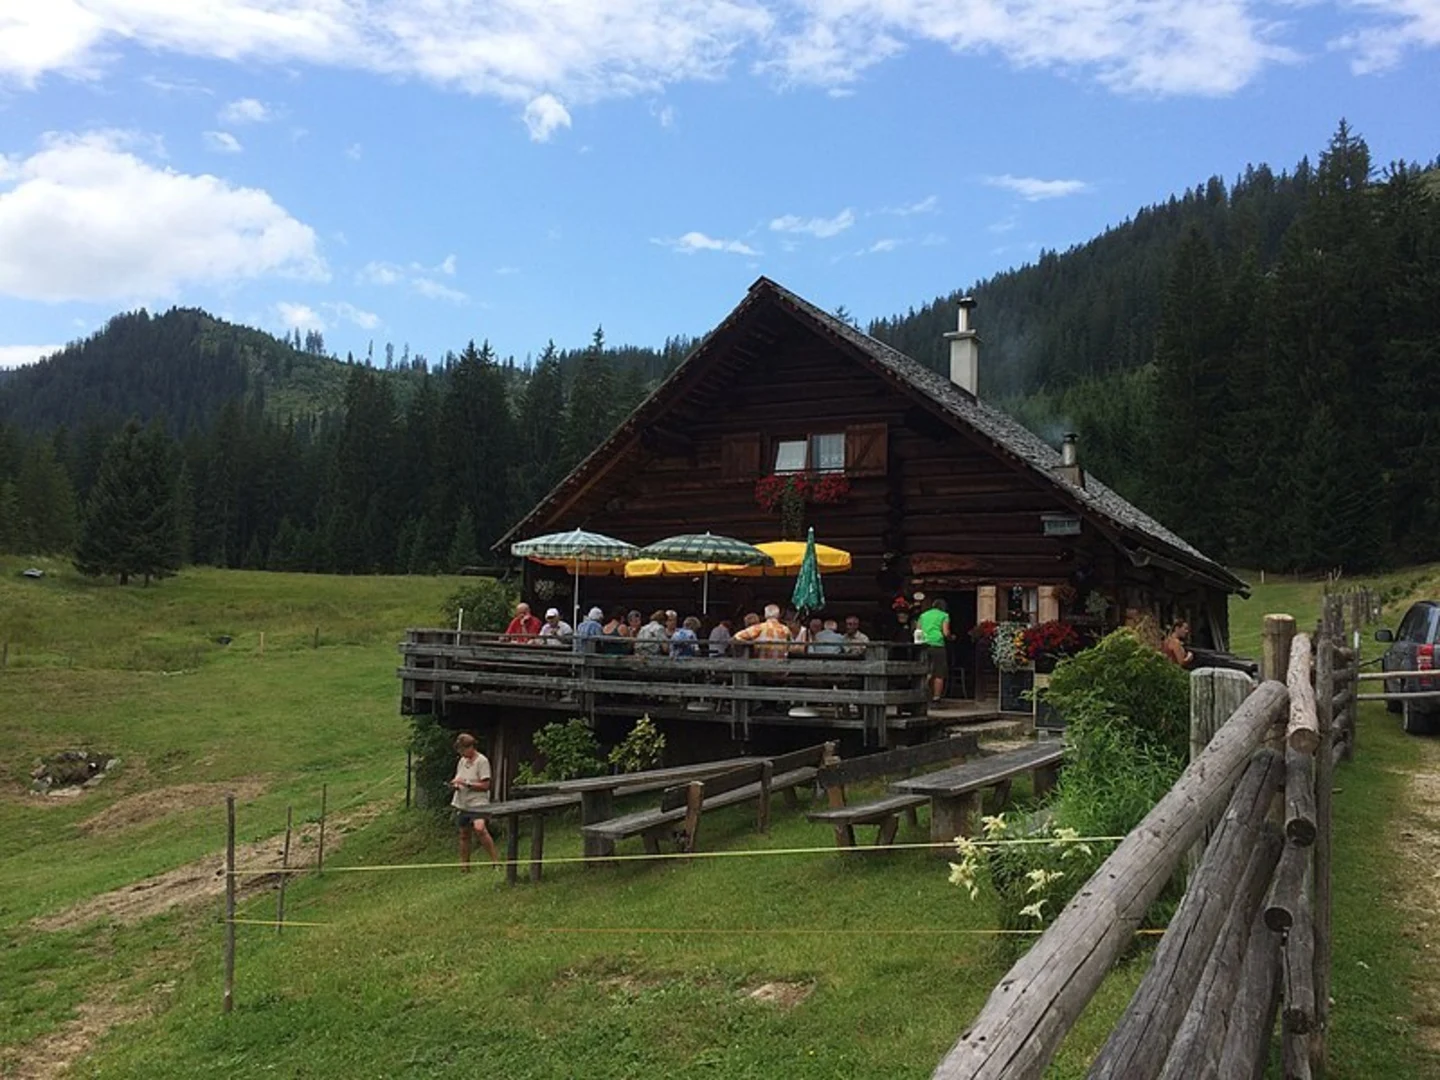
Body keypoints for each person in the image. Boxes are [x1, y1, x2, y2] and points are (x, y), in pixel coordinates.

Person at [450, 733, 498, 870]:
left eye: (463, 750)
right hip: (463, 802)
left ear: (471, 747)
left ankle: (495, 861)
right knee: (464, 834)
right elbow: (458, 777)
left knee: (480, 828)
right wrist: (455, 785)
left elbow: (485, 785)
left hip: (478, 802)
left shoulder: (482, 761)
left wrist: (467, 783)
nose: (461, 753)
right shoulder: (462, 761)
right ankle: (465, 865)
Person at [917, 598, 954, 703]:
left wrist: (919, 643)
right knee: (939, 672)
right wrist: (951, 637)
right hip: (937, 645)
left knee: (925, 670)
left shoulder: (923, 615)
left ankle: (922, 692)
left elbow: (918, 630)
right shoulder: (944, 615)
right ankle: (936, 697)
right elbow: (946, 632)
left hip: (924, 645)